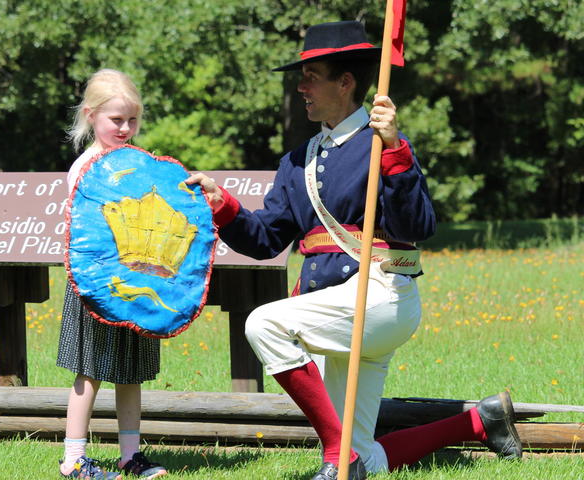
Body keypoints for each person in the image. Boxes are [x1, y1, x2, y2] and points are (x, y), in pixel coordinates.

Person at [187, 21, 522, 479]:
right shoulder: (297, 159)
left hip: (381, 297)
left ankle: (336, 454)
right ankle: (480, 422)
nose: (301, 87)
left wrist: (395, 153)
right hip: (332, 309)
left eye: (312, 76)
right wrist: (221, 205)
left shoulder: (383, 145)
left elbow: (417, 227)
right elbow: (265, 239)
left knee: (263, 323)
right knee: (365, 458)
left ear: (345, 83)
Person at [58, 69, 168, 479]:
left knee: (131, 371)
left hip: (136, 282)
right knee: (89, 372)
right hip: (94, 286)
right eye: (116, 120)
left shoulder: (138, 162)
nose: (125, 128)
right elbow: (81, 231)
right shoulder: (85, 167)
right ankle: (72, 459)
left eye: (132, 120)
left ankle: (130, 456)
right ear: (91, 116)